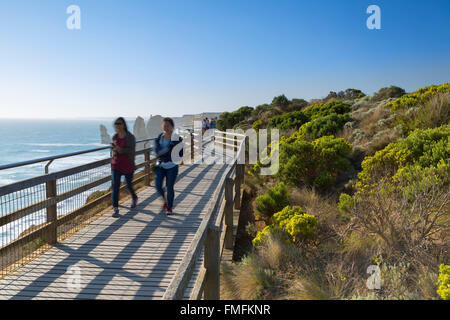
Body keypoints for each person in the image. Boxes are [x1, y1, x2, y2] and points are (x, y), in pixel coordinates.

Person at [154, 117, 184, 215]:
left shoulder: (177, 139)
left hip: (172, 167)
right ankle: (165, 200)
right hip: (161, 166)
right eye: (164, 125)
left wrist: (170, 155)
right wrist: (166, 152)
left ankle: (169, 207)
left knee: (169, 187)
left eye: (168, 125)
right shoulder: (159, 138)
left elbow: (180, 154)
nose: (166, 127)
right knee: (158, 186)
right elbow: (156, 151)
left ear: (172, 127)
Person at [111, 117, 138, 217]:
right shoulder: (114, 137)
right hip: (116, 164)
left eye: (119, 123)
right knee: (115, 186)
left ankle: (134, 197)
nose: (117, 125)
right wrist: (115, 151)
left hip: (128, 164)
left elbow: (132, 150)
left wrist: (120, 150)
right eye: (116, 124)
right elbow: (114, 148)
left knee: (128, 184)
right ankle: (115, 208)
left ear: (124, 125)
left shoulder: (130, 137)